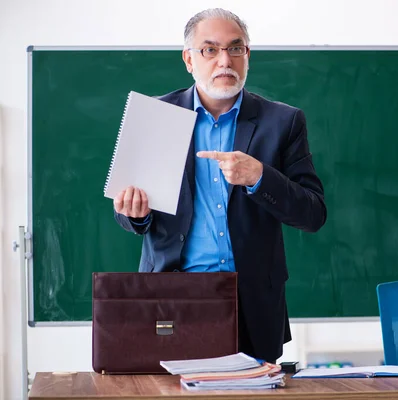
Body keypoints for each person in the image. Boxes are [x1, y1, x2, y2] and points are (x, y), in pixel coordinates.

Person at [112, 8, 327, 363]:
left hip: (253, 303)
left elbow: (313, 213)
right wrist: (134, 213)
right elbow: (128, 210)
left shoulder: (283, 122)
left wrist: (261, 177)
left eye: (235, 48)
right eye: (210, 50)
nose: (224, 60)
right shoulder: (156, 116)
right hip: (173, 300)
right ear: (189, 59)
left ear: (247, 56)